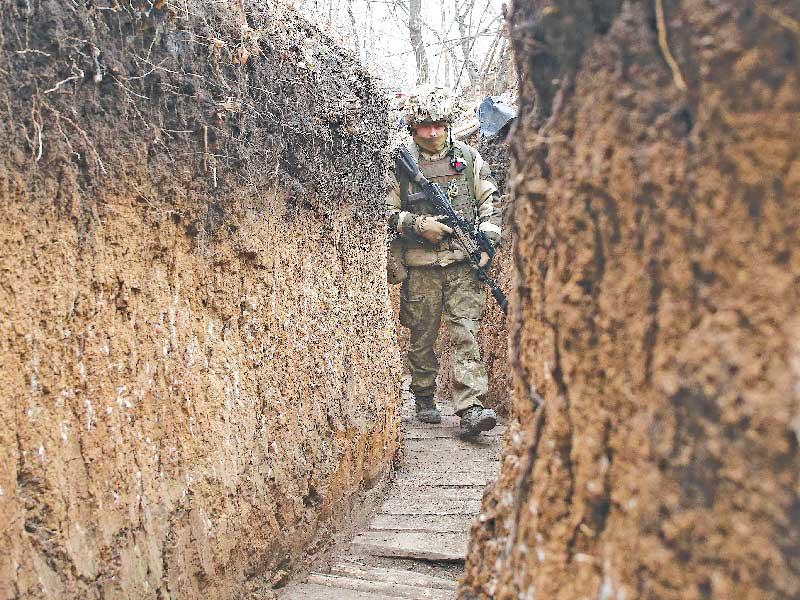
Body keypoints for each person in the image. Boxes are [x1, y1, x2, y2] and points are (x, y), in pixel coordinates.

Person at [386, 85, 502, 437]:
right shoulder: (400, 164)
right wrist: (418, 224)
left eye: (439, 125)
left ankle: (471, 407)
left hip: (463, 263)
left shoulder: (468, 158)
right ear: (413, 127)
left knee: (466, 332)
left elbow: (490, 202)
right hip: (421, 267)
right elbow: (386, 212)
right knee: (422, 335)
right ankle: (423, 394)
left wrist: (487, 241)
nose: (433, 132)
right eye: (425, 126)